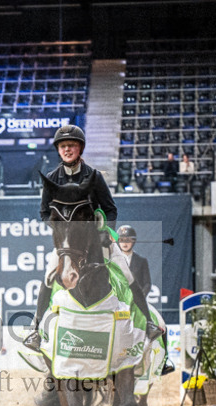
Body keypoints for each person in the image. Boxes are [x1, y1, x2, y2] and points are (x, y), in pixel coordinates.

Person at [27, 125, 163, 350]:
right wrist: (61, 231)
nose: (67, 149)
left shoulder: (94, 176)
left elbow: (110, 209)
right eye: (63, 146)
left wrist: (106, 231)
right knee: (49, 276)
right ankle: (35, 329)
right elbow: (44, 212)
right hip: (68, 243)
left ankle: (148, 322)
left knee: (127, 274)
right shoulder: (52, 178)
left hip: (96, 239)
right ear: (59, 150)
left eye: (71, 145)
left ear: (80, 148)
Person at [115, 226, 151, 298]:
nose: (125, 243)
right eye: (121, 240)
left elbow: (147, 283)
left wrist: (140, 297)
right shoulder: (113, 261)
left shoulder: (141, 261)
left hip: (136, 300)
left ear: (133, 241)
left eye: (128, 240)